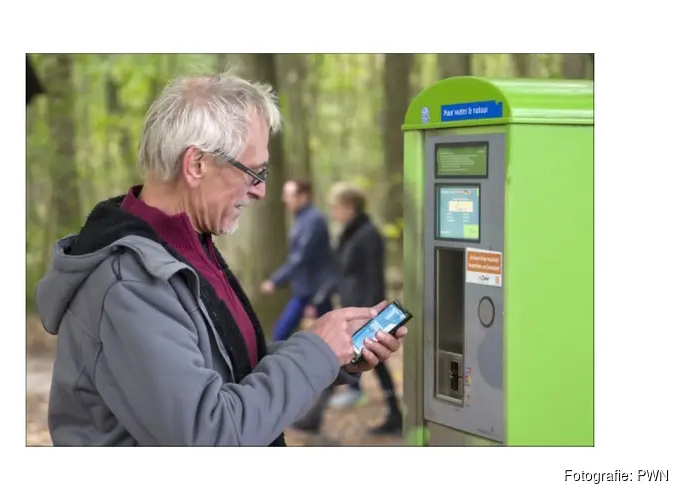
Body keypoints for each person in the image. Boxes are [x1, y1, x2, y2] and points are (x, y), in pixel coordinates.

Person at [34, 73, 407, 446]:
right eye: (253, 172)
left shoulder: (186, 248)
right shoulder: (129, 283)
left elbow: (229, 373)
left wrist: (332, 356)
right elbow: (212, 434)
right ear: (196, 164)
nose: (261, 191)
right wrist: (317, 351)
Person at [293, 182, 404, 435]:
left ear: (350, 207)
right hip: (352, 309)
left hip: (363, 313)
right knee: (370, 363)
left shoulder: (368, 235)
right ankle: (394, 414)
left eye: (336, 206)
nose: (332, 211)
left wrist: (371, 318)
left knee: (345, 359)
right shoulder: (349, 234)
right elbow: (339, 272)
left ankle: (314, 416)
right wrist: (320, 297)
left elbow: (372, 277)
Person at [260, 179, 335, 342]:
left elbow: (302, 257)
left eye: (289, 195)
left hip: (314, 291)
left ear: (303, 197)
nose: (284, 199)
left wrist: (275, 281)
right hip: (305, 290)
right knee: (327, 338)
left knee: (281, 334)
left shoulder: (313, 221)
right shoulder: (302, 219)